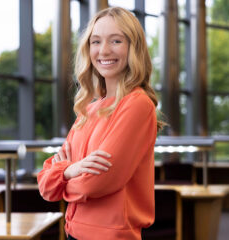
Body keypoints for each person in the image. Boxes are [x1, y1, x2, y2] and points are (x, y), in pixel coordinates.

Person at [37, 6, 164, 240]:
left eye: (116, 41)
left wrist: (63, 179)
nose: (104, 50)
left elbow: (94, 184)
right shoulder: (89, 109)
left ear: (132, 48)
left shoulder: (137, 105)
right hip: (72, 232)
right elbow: (44, 184)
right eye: (96, 42)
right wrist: (70, 170)